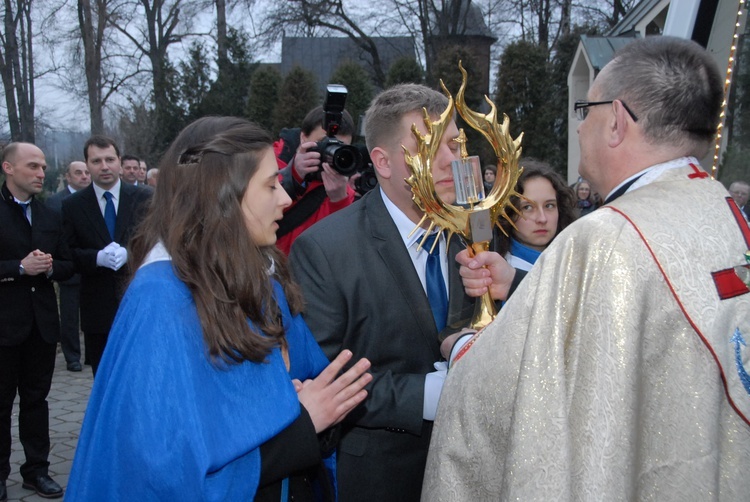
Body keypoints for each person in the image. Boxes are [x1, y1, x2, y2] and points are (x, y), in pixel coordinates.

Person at [423, 36, 750, 500]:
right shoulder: (724, 211)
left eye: (586, 110)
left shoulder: (606, 237)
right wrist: (516, 283)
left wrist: (464, 348)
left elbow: (502, 391)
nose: (580, 129)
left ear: (616, 121)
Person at [66, 117, 372, 501]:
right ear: (221, 195)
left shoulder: (262, 277)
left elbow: (305, 388)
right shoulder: (160, 301)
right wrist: (305, 423)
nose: (285, 198)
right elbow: (161, 476)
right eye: (270, 184)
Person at [289, 84, 524, 502]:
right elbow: (320, 378)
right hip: (384, 477)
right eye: (433, 148)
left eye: (454, 143)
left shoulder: (476, 224)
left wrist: (509, 292)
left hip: (482, 471)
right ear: (382, 162)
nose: (453, 161)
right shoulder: (326, 248)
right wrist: (424, 396)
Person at [0, 143, 74, 500]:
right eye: (33, 166)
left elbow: (67, 263)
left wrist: (48, 267)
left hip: (42, 325)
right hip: (4, 325)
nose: (41, 173)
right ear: (9, 168)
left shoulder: (49, 215)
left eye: (43, 166)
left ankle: (37, 471)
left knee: (36, 401)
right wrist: (18, 268)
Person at [62, 136, 152, 376]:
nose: (104, 166)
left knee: (141, 376)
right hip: (97, 307)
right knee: (103, 378)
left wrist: (131, 253)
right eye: (97, 161)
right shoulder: (72, 205)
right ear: (87, 164)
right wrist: (96, 258)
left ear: (119, 162)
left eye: (110, 159)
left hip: (139, 302)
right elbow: (67, 254)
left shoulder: (145, 198)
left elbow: (158, 242)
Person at [275, 106, 357, 255]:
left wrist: (339, 201)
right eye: (324, 142)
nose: (331, 152)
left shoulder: (343, 190)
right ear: (303, 137)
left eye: (340, 147)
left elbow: (342, 248)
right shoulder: (271, 165)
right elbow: (255, 215)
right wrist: (293, 177)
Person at [46, 161, 91, 372]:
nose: (84, 176)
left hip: (92, 267)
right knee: (70, 316)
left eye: (86, 173)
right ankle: (72, 355)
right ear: (68, 176)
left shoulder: (94, 199)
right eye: (78, 173)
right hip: (68, 268)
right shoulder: (55, 202)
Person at [496, 160, 576, 271]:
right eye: (527, 207)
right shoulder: (494, 274)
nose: (542, 219)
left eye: (549, 206)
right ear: (507, 214)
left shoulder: (578, 263)